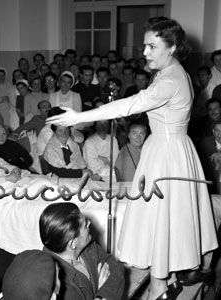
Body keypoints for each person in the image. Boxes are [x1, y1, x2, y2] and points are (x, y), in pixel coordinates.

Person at [47, 16, 218, 300]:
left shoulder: (170, 79)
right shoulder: (176, 72)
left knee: (161, 215)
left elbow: (131, 104)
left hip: (166, 152)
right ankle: (170, 276)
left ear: (172, 47)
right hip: (175, 147)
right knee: (171, 216)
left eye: (152, 46)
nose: (145, 52)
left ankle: (160, 284)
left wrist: (79, 117)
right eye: (144, 46)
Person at [39, 202, 125, 300]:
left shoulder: (87, 246)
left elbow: (115, 267)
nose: (89, 223)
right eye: (85, 225)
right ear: (73, 243)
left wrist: (102, 295)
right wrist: (97, 291)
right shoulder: (57, 280)